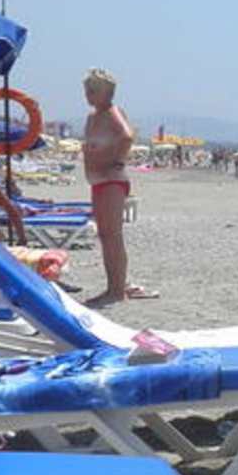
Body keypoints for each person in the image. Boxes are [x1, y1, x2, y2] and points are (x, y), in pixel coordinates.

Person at [82, 67, 153, 304]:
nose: (88, 95)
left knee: (112, 235)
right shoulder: (93, 117)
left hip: (111, 179)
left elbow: (126, 136)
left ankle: (116, 290)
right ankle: (114, 286)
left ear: (107, 93)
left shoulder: (112, 113)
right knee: (105, 235)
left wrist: (114, 160)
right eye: (87, 90)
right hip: (99, 180)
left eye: (93, 90)